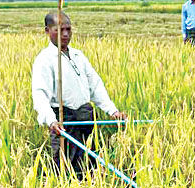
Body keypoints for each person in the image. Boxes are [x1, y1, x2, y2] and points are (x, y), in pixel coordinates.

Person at [31, 12, 126, 177]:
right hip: (64, 120)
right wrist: (51, 120)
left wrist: (113, 111)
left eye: (68, 29)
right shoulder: (45, 60)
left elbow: (95, 85)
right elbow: (40, 95)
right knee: (66, 167)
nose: (65, 34)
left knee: (91, 161)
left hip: (85, 116)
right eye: (59, 30)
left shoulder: (78, 55)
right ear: (47, 31)